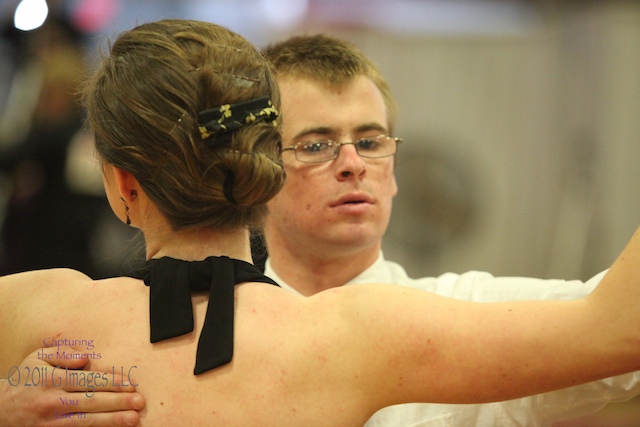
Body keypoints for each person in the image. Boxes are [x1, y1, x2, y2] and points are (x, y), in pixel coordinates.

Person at [3, 19, 640, 426]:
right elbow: (619, 328)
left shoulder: (46, 315)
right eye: (316, 143)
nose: (350, 165)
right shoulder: (360, 335)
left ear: (121, 185)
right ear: (266, 166)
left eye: (371, 141)